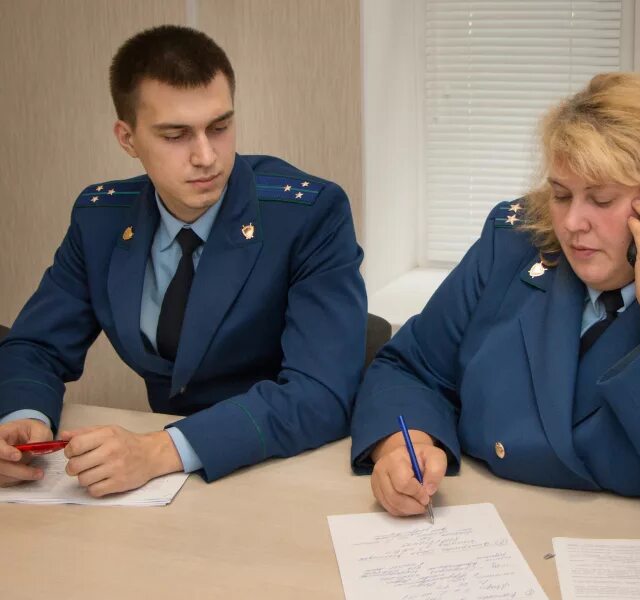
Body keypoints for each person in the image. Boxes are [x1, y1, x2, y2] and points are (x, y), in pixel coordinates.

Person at [350, 72, 640, 529]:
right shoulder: (514, 241)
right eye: (561, 195)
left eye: (601, 200)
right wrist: (403, 446)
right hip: (493, 528)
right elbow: (412, 369)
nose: (572, 224)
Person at [0, 25, 366, 495]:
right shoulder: (100, 219)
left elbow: (321, 393)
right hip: (164, 490)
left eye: (220, 127)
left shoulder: (309, 214)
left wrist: (160, 450)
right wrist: (21, 418)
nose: (206, 156)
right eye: (176, 135)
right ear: (127, 139)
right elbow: (35, 347)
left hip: (282, 471)